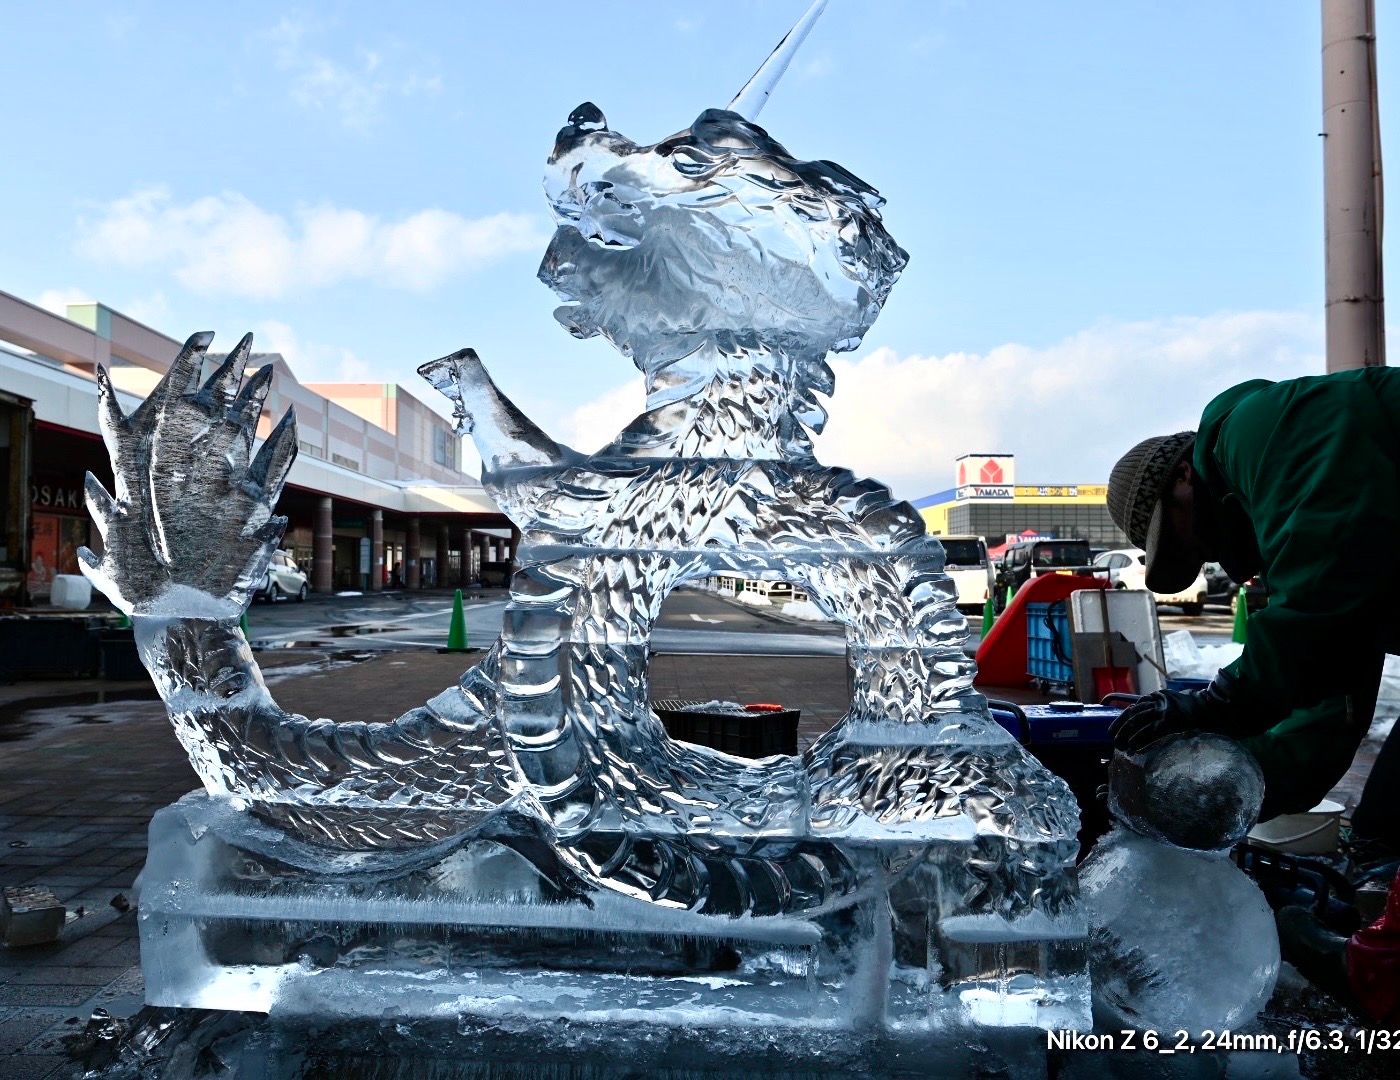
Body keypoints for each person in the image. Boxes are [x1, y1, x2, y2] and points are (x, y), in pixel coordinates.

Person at [1105, 367, 1399, 854]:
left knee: (1390, 829)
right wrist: (1224, 789)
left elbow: (1316, 602)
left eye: (1180, 539)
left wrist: (1218, 706)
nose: (1203, 551)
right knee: (1385, 830)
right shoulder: (1277, 526)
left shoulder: (1262, 428)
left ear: (1183, 475)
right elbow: (1327, 701)